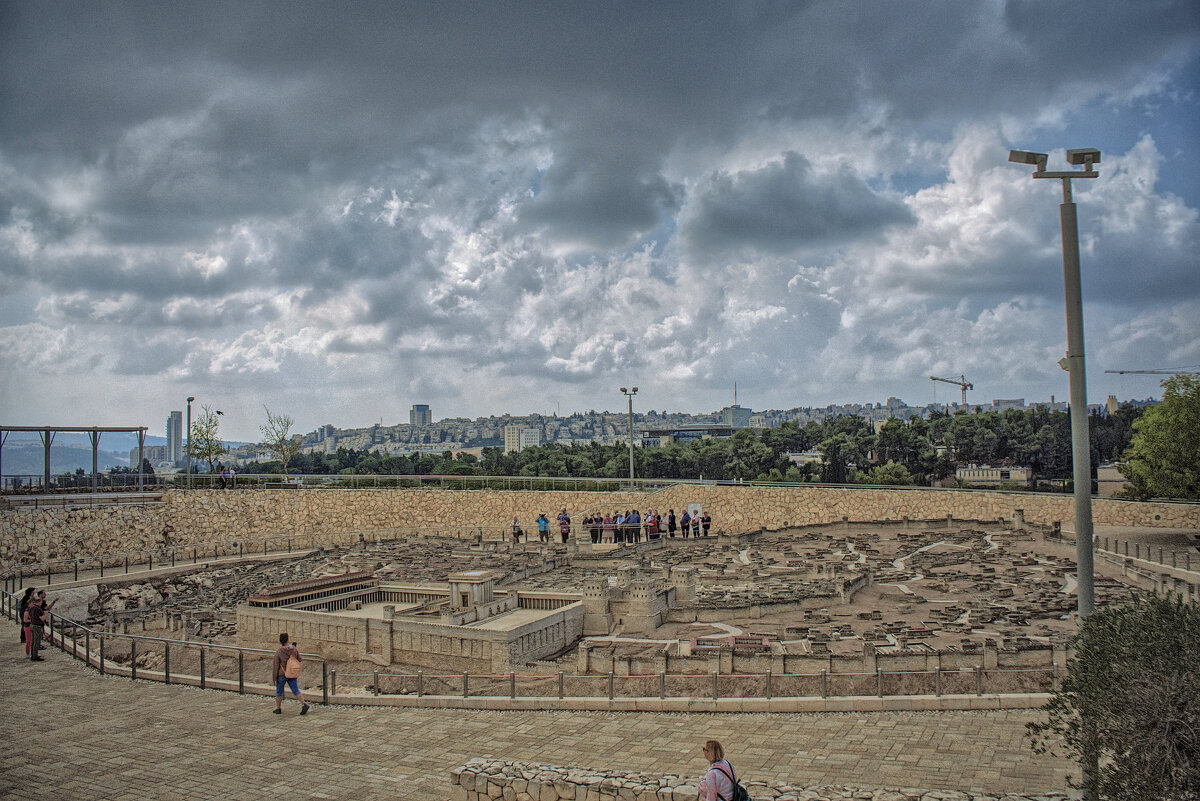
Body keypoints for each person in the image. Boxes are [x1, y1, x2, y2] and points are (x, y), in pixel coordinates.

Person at [272, 632, 309, 715]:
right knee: (295, 690)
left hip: (282, 674)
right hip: (292, 673)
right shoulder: (294, 649)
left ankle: (278, 708)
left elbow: (276, 665)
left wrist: (274, 678)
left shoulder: (279, 651)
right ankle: (304, 703)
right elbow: (300, 659)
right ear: (288, 639)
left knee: (279, 691)